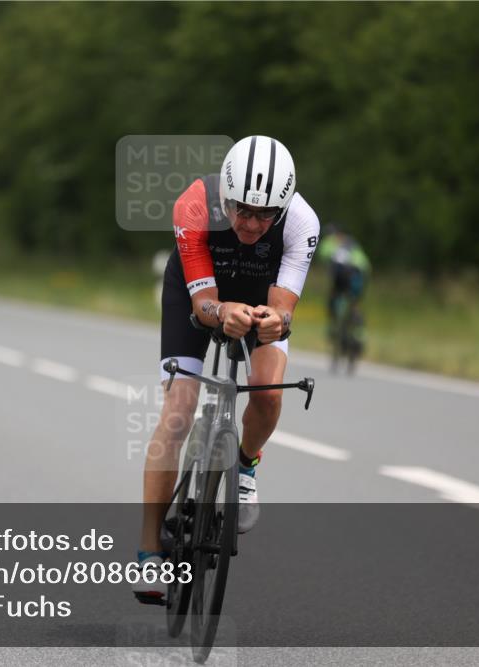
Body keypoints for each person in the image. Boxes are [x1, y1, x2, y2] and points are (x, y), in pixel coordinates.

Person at [134, 136, 320, 604]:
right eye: (242, 210)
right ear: (225, 197)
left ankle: (246, 466)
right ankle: (149, 550)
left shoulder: (301, 222)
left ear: (282, 209)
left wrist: (276, 321)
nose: (253, 224)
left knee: (269, 393)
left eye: (265, 215)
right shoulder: (194, 204)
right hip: (197, 293)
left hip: (259, 296)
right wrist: (222, 311)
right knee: (179, 409)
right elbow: (202, 304)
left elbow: (284, 307)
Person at [317, 225, 371, 369]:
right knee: (355, 305)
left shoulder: (329, 242)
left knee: (333, 302)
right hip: (359, 276)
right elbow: (365, 265)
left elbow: (324, 258)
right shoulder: (352, 243)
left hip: (341, 278)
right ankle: (359, 334)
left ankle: (334, 328)